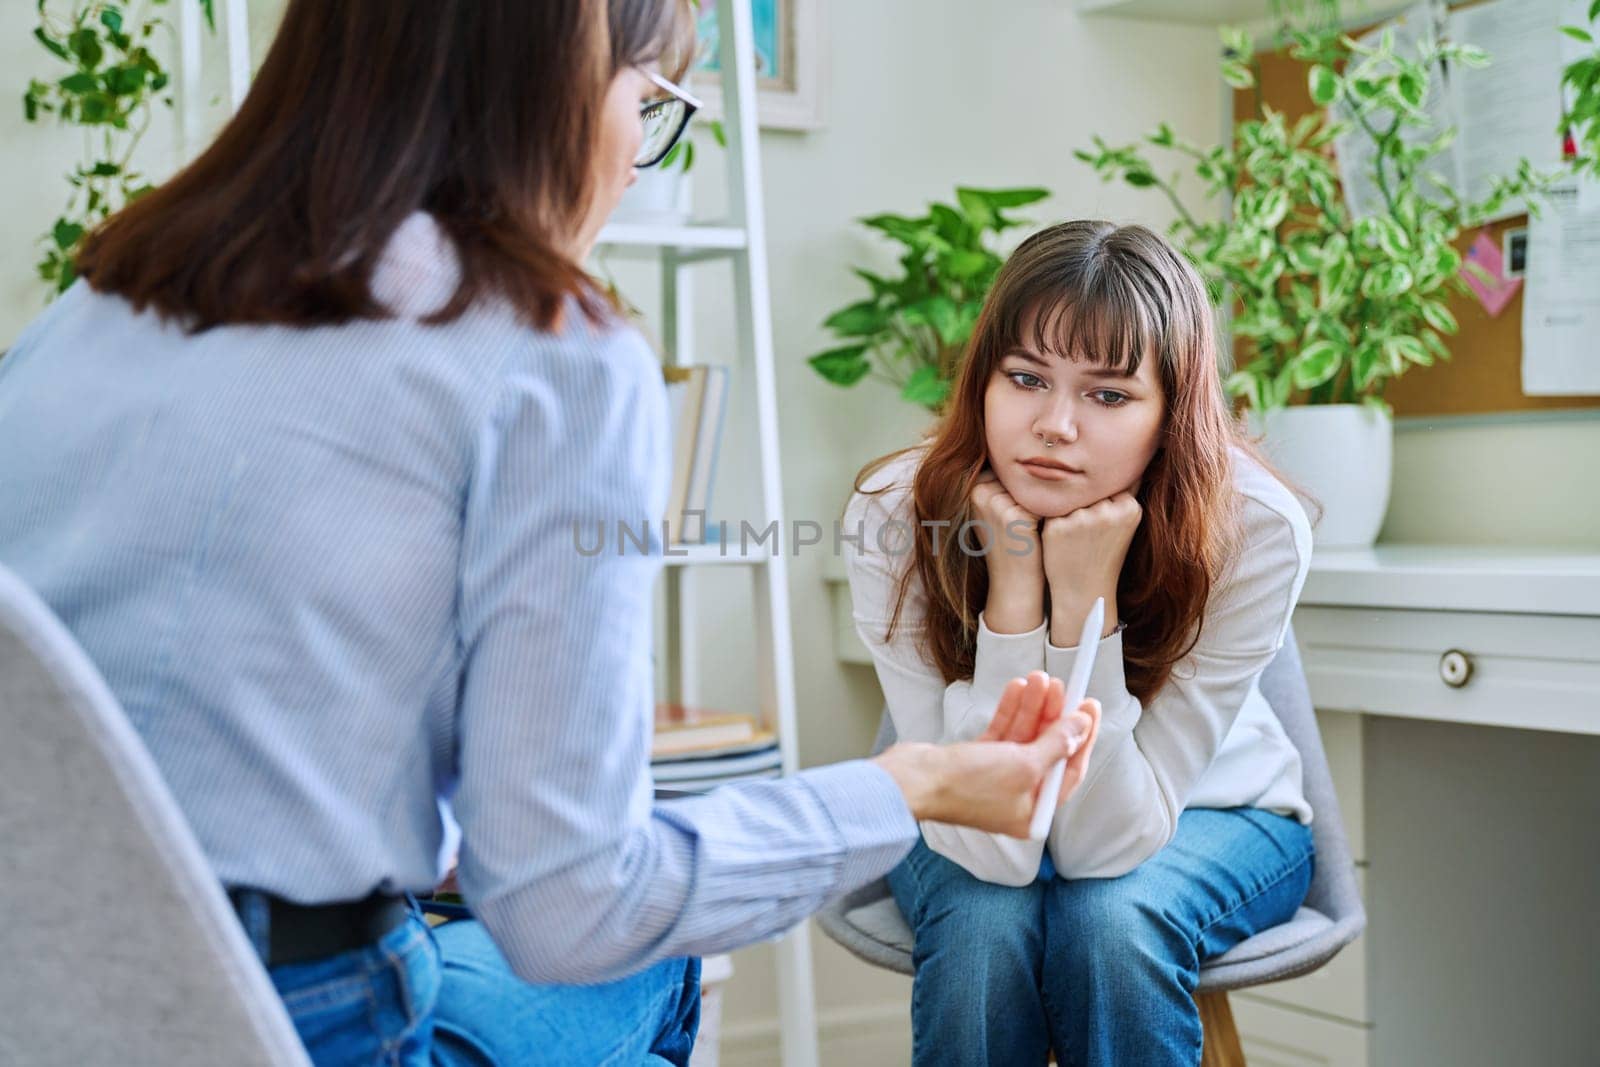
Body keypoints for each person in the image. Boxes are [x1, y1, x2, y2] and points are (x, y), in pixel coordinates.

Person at [0, 1, 1098, 1064]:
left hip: (33, 994)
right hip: (295, 1013)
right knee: (650, 960)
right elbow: (572, 905)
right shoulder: (551, 356)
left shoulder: (84, 316)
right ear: (559, 81)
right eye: (648, 96)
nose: (635, 158)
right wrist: (909, 786)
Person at [843, 220, 1319, 1066]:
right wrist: (1016, 596)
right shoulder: (892, 513)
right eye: (1026, 378)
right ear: (982, 382)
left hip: (1215, 806)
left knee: (1112, 923)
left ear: (1172, 413)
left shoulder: (1255, 528)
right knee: (988, 926)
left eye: (1108, 394)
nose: (1055, 425)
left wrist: (1085, 605)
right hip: (960, 824)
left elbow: (1103, 847)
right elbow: (995, 848)